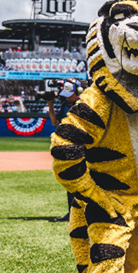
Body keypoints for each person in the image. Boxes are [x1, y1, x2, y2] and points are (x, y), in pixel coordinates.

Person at [47, 79, 80, 223]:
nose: (67, 98)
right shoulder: (65, 105)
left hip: (82, 146)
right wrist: (50, 104)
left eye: (69, 95)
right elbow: (55, 122)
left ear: (77, 92)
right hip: (69, 146)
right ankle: (72, 214)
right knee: (70, 180)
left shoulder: (84, 104)